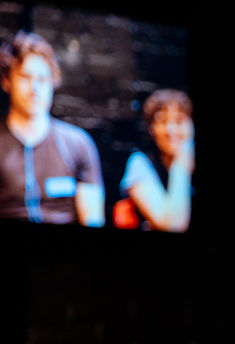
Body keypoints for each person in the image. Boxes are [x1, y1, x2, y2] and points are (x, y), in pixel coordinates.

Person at [0, 30, 104, 226]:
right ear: (7, 81)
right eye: (25, 77)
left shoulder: (78, 144)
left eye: (42, 79)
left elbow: (93, 218)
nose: (35, 88)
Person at [114, 88, 195, 232]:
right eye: (163, 121)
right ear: (152, 129)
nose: (171, 130)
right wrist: (180, 166)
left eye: (179, 120)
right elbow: (172, 226)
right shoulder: (140, 163)